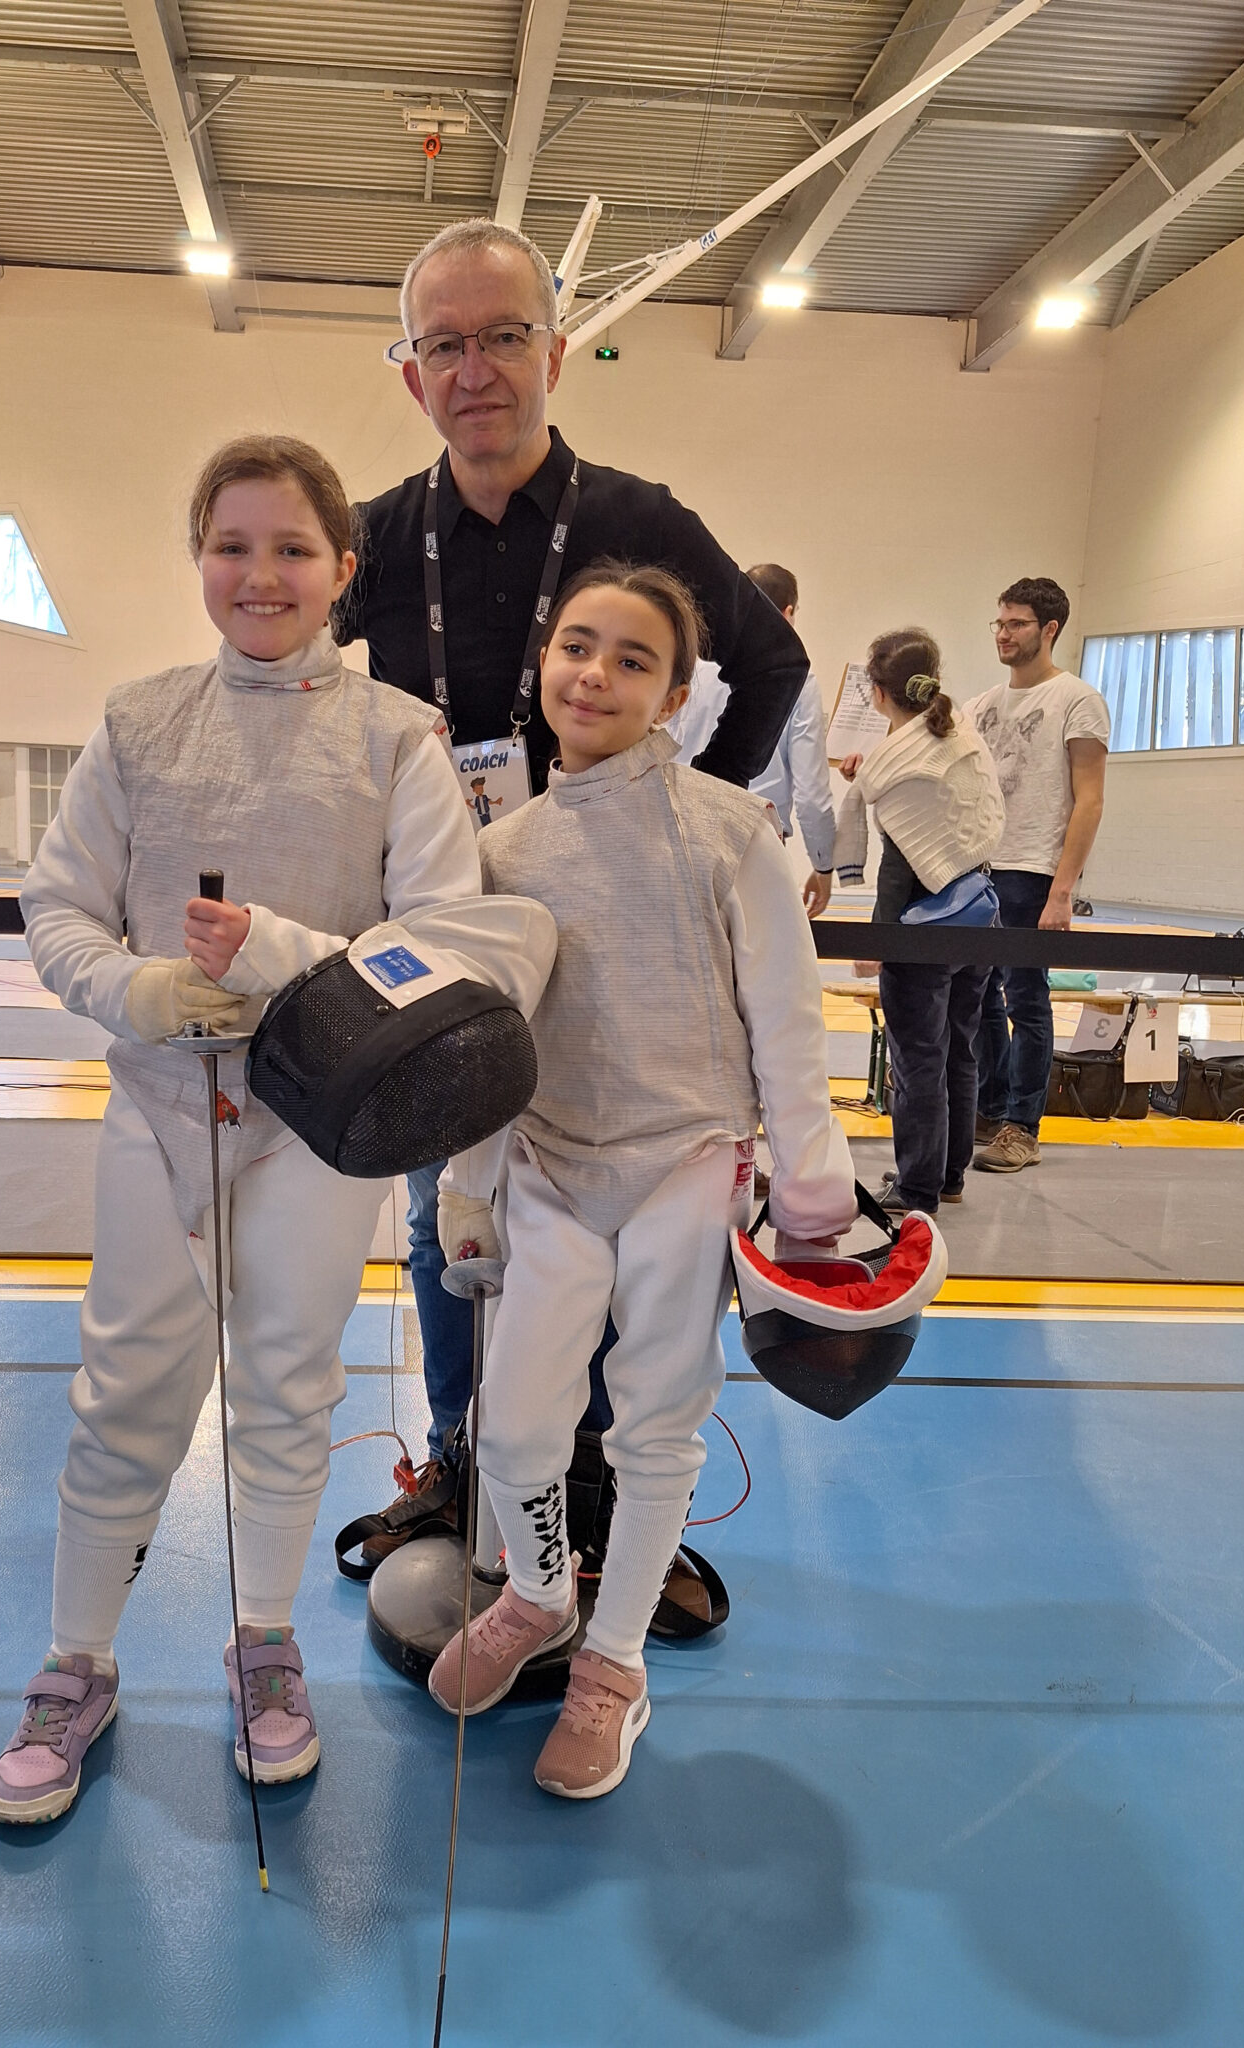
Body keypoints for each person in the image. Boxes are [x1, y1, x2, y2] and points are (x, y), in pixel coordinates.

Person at [0, 435, 549, 1823]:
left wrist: (282, 953)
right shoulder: (138, 722)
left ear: (342, 568)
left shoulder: (397, 736)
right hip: (159, 1109)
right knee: (124, 1392)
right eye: (232, 545)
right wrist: (134, 987)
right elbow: (57, 906)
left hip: (317, 1125)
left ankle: (264, 1645)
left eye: (293, 548)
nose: (261, 574)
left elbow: (438, 942)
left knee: (291, 1388)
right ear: (199, 560)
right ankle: (76, 1662)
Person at [336, 215, 811, 1510]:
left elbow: (772, 662)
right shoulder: (378, 538)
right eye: (444, 345)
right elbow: (298, 690)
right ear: (412, 374)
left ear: (555, 351)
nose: (474, 369)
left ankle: (586, 1486)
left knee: (598, 1219)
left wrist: (687, 823)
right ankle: (462, 1464)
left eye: (502, 336)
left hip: (611, 952)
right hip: (450, 930)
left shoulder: (636, 520)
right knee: (445, 1217)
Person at [427, 561, 856, 1798]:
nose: (595, 674)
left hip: (689, 1159)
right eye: (577, 645)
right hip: (552, 1163)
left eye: (632, 659)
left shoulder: (731, 830)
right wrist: (468, 1183)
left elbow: (788, 1020)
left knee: (656, 1421)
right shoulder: (502, 847)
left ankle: (614, 1660)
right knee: (517, 1424)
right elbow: (486, 1035)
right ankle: (539, 1594)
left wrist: (812, 1194)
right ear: (544, 661)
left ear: (674, 694)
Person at [834, 630, 1004, 1215]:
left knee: (918, 1061)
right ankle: (949, 1176)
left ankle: (916, 1187)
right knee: (960, 1051)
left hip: (924, 927)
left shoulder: (893, 767)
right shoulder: (961, 735)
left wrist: (877, 942)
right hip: (982, 913)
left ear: (877, 693)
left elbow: (899, 870)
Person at [964, 578, 1109, 1173]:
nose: (1003, 633)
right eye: (999, 622)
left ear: (1049, 630)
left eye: (1016, 624)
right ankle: (990, 1109)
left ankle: (1023, 1127)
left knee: (1025, 998)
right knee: (977, 998)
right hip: (979, 868)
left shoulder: (1078, 699)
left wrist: (1063, 889)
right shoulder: (980, 704)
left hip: (1032, 869)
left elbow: (1089, 800)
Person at [744, 563, 836, 918]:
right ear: (788, 613)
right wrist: (823, 864)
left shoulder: (697, 669)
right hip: (756, 844)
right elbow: (811, 792)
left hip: (686, 837)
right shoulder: (798, 678)